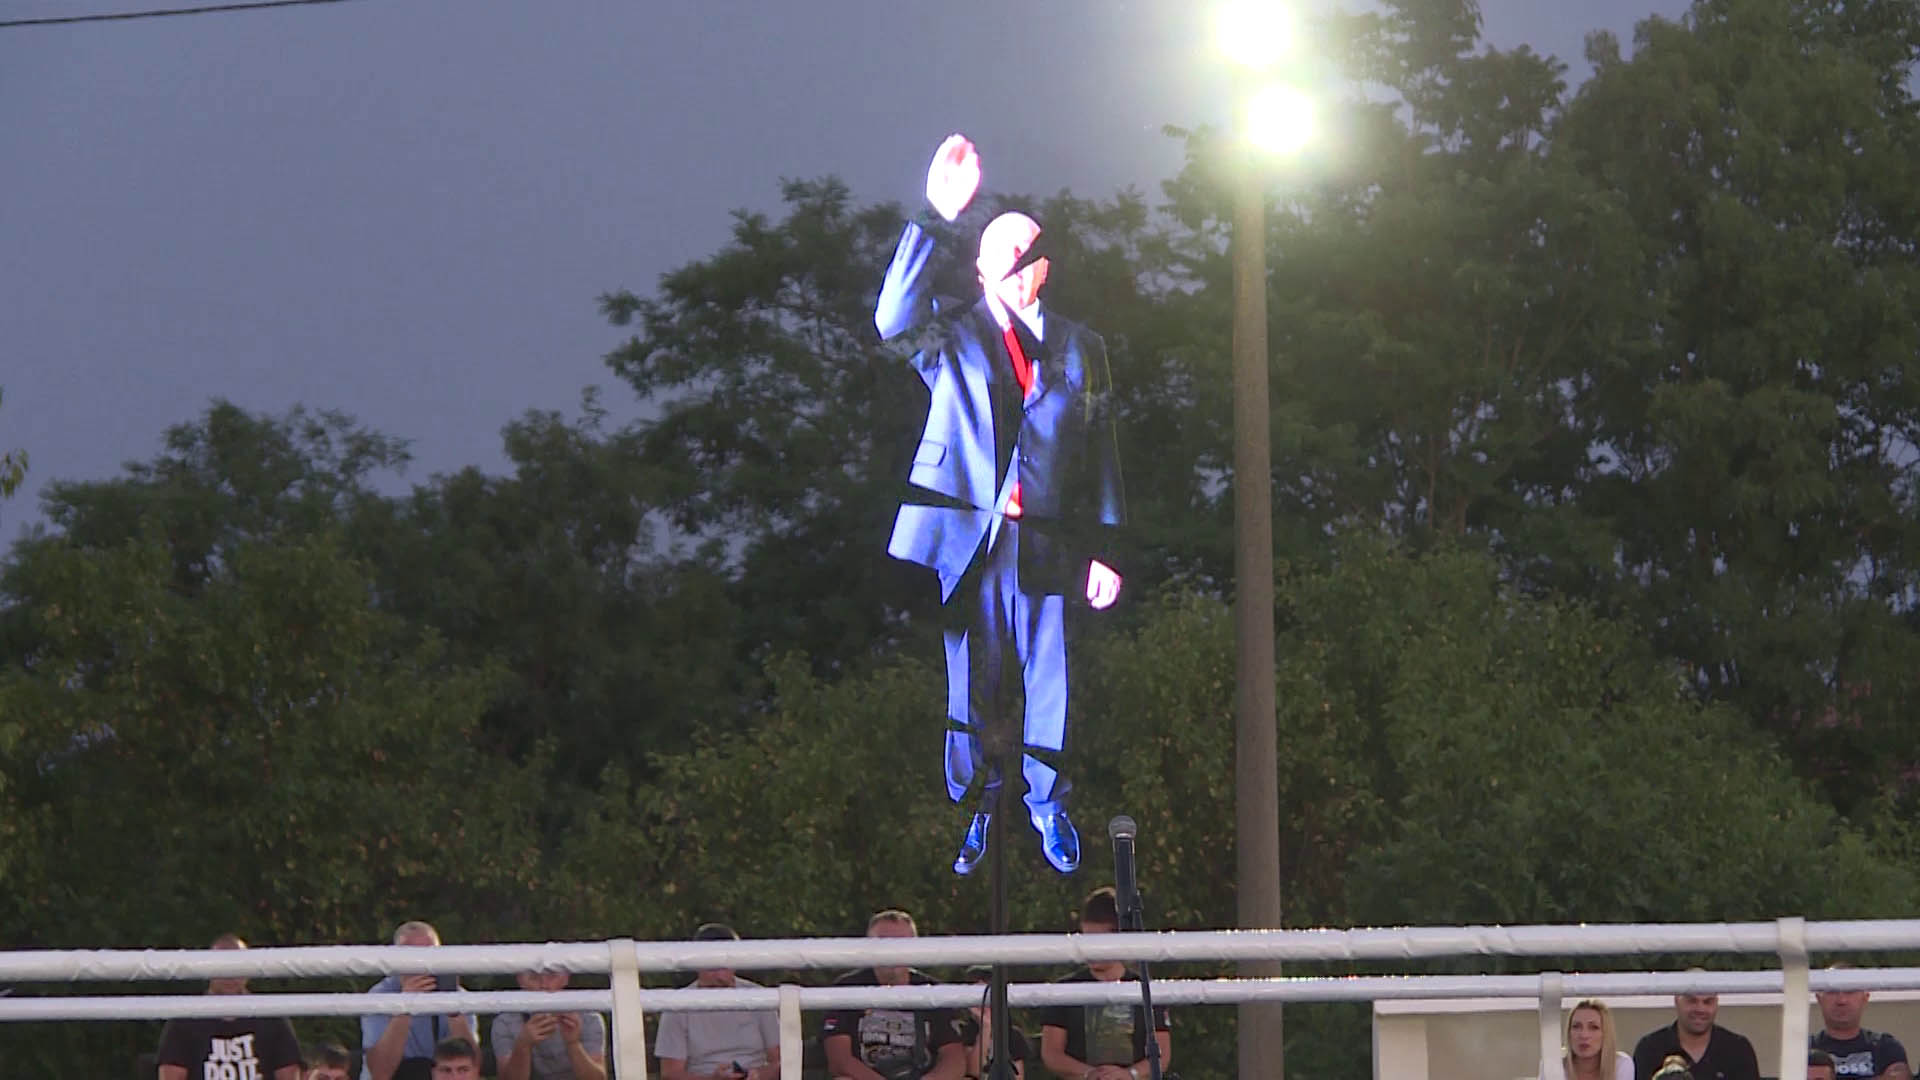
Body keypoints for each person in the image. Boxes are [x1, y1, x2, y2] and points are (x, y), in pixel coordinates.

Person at [875, 132, 1127, 874]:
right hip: (970, 533)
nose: (1019, 265)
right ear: (982, 267)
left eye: (1029, 253)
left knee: (1049, 671)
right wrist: (935, 215)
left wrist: (1106, 549)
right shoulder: (954, 335)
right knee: (973, 673)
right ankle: (977, 804)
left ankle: (1047, 804)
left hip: (1047, 534)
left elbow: (1102, 449)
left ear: (1044, 266)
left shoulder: (1080, 346)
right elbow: (892, 319)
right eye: (1004, 253)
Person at [1038, 888, 1170, 1080]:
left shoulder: (1147, 990)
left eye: (1098, 941)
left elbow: (1162, 1055)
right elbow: (1051, 1054)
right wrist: (1090, 1074)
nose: (1090, 948)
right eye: (1086, 939)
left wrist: (1129, 1074)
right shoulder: (1063, 989)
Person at [821, 910, 966, 1080]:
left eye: (901, 943)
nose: (893, 950)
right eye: (884, 942)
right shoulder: (847, 988)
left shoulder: (932, 991)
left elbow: (954, 1058)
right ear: (868, 947)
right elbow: (840, 1062)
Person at [156, 933, 305, 1080]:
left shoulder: (272, 1017)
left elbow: (289, 1074)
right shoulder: (185, 1019)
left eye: (237, 967)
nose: (230, 975)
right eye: (222, 967)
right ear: (208, 968)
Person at [655, 923, 780, 1080]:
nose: (720, 976)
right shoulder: (677, 1006)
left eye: (726, 965)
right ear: (696, 963)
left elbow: (781, 1062)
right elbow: (671, 1073)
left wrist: (754, 1075)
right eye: (712, 967)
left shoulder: (759, 997)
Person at [360, 920, 478, 1080]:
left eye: (430, 954)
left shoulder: (457, 995)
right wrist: (405, 1007)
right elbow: (380, 1074)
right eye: (413, 956)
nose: (422, 964)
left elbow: (472, 1068)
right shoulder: (379, 997)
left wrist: (454, 1011)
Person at [490, 965, 608, 1080]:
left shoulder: (589, 1018)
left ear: (566, 977)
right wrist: (523, 1045)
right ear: (520, 979)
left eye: (552, 975)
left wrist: (573, 1044)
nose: (544, 985)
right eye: (534, 977)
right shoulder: (505, 1022)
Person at [1630, 984, 1761, 1080]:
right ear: (1676, 1000)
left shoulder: (1738, 1049)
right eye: (1692, 1001)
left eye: (1707, 1002)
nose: (1700, 1009)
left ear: (1716, 1003)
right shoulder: (1649, 1048)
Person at [1811, 970, 1911, 1080]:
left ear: (1865, 998)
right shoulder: (1803, 1048)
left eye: (1850, 991)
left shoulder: (1887, 1047)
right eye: (1832, 992)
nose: (1841, 1000)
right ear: (1819, 999)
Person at [957, 965, 1028, 1080]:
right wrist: (985, 1027)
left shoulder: (1013, 1035)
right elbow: (973, 1072)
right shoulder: (963, 1032)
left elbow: (1018, 1077)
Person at [1552, 1000, 1632, 1080]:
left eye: (1594, 1027)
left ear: (1605, 1033)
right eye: (1576, 1026)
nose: (1584, 1035)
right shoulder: (1554, 1065)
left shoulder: (1621, 1064)